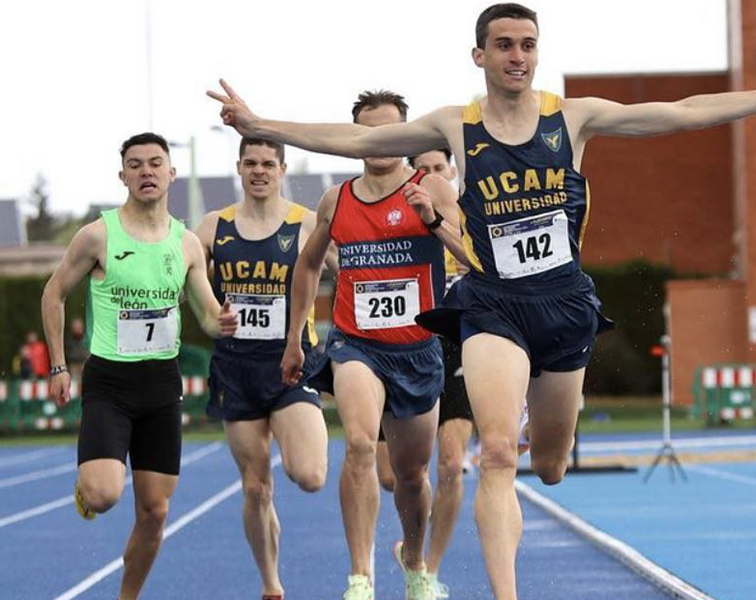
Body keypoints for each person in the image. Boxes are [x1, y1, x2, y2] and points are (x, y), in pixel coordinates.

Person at [208, 6, 756, 598]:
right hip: (492, 304)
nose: (518, 55)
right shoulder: (451, 126)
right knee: (493, 452)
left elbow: (681, 110)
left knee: (548, 463)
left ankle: (538, 433)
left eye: (528, 45)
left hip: (564, 302)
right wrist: (259, 123)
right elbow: (353, 142)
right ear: (479, 55)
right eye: (504, 45)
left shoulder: (572, 118)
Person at [270, 90, 466, 600]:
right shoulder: (336, 200)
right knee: (358, 443)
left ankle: (416, 561)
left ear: (408, 136)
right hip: (356, 344)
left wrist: (433, 221)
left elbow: (472, 255)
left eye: (390, 132)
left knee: (411, 473)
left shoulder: (434, 187)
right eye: (368, 132)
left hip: (419, 348)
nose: (379, 143)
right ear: (354, 137)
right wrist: (295, 338)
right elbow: (308, 264)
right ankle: (360, 577)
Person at [41, 132, 238, 600]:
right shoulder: (97, 235)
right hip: (110, 383)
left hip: (161, 387)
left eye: (155, 163)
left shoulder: (187, 244)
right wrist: (57, 367)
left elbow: (207, 314)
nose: (146, 171)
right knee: (103, 495)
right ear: (123, 175)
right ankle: (87, 486)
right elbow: (54, 293)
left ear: (172, 173)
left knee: (155, 512)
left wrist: (223, 321)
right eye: (136, 164)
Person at [193, 137, 331, 600]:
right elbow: (182, 279)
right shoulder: (213, 228)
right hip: (237, 369)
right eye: (250, 163)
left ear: (282, 168)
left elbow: (350, 270)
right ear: (238, 167)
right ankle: (271, 584)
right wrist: (211, 313)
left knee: (310, 475)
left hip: (293, 363)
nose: (258, 171)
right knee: (256, 488)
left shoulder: (306, 222)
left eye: (267, 164)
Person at [374, 147, 475, 599]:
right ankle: (413, 547)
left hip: (458, 347)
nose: (431, 177)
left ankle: (428, 571)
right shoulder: (395, 215)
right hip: (406, 343)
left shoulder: (471, 217)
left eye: (439, 169)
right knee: (394, 477)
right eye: (424, 170)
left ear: (451, 172)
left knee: (453, 463)